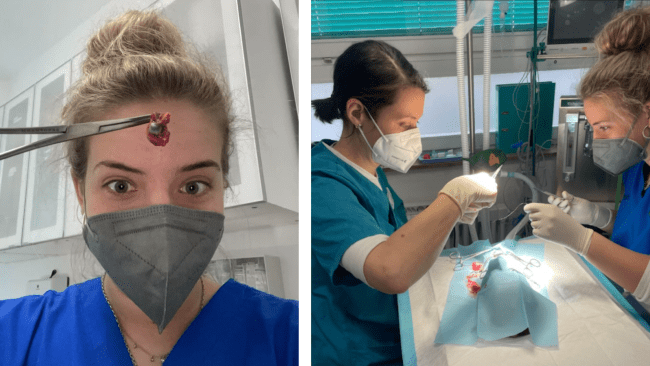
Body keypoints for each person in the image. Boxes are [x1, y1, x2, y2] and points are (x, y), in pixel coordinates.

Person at [0, 10, 298, 366]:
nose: (162, 215)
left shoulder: (292, 338)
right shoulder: (13, 334)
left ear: (223, 185)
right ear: (81, 192)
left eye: (193, 185)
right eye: (121, 184)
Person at [311, 40, 498, 365]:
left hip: (395, 327)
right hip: (356, 349)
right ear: (357, 113)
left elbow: (391, 240)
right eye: (405, 124)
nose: (414, 135)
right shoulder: (321, 185)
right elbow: (390, 269)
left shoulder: (370, 169)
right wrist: (453, 198)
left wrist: (445, 220)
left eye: (417, 122)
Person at [524, 7, 650, 311]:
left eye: (605, 127)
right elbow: (638, 235)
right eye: (594, 129)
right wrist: (598, 218)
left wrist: (582, 240)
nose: (598, 141)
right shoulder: (637, 168)